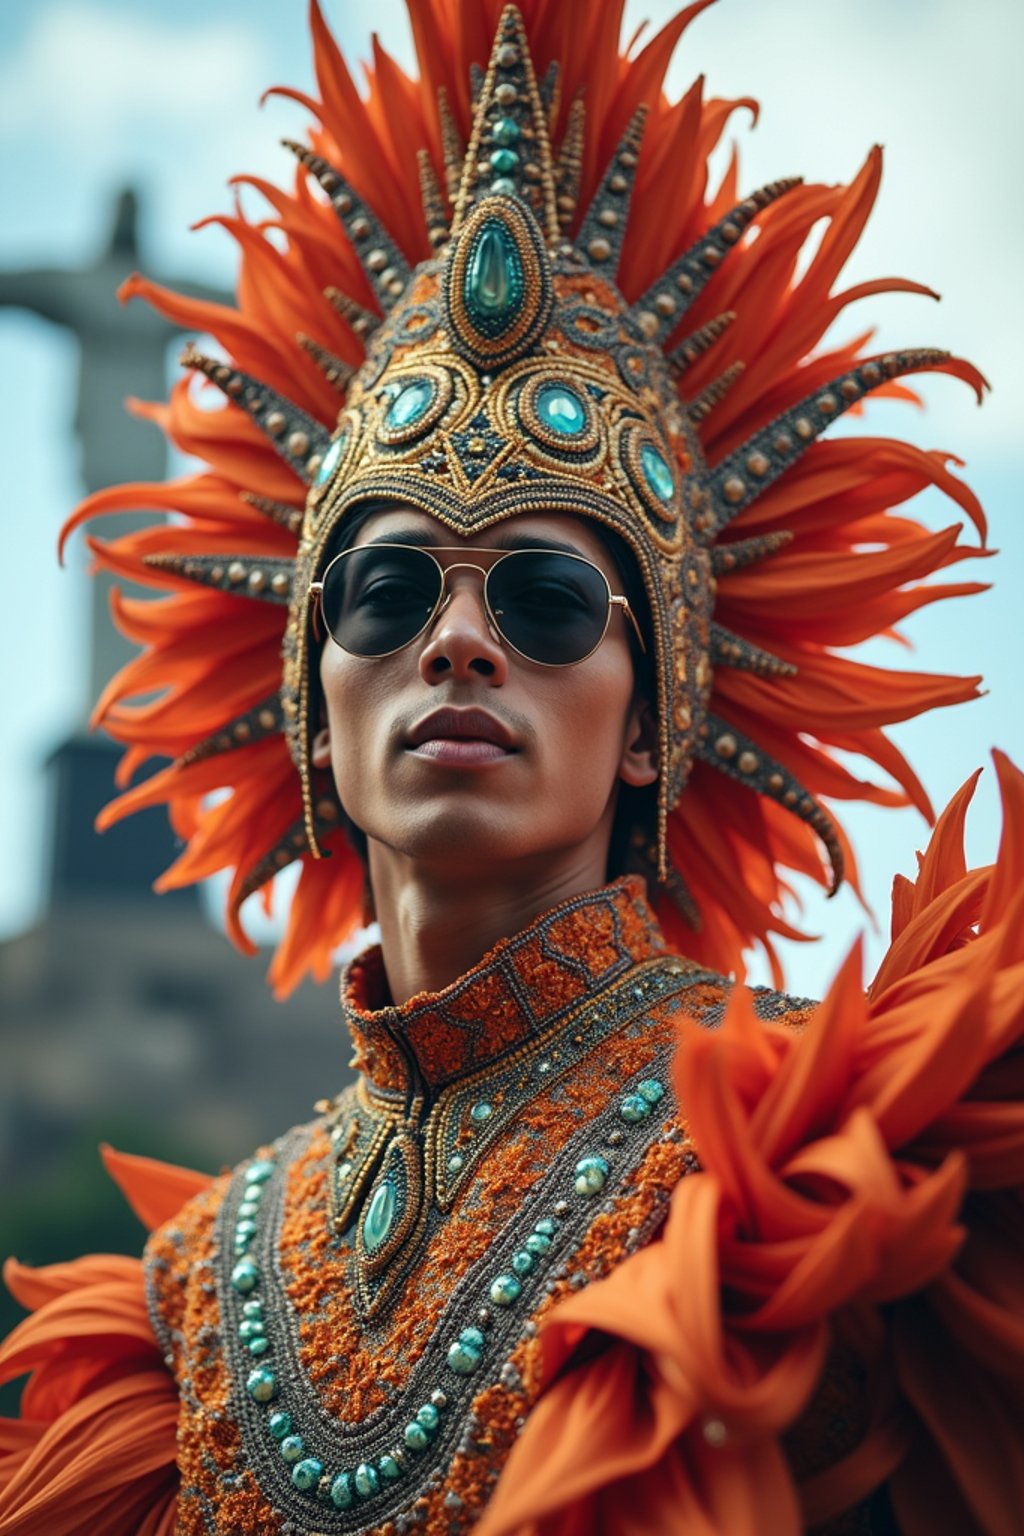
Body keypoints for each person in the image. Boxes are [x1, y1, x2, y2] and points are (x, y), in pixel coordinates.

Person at [1, 3, 1021, 1533]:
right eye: (388, 594)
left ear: (652, 720)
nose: (459, 644)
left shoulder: (848, 1165)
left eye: (544, 603)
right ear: (312, 703)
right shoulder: (181, 1305)